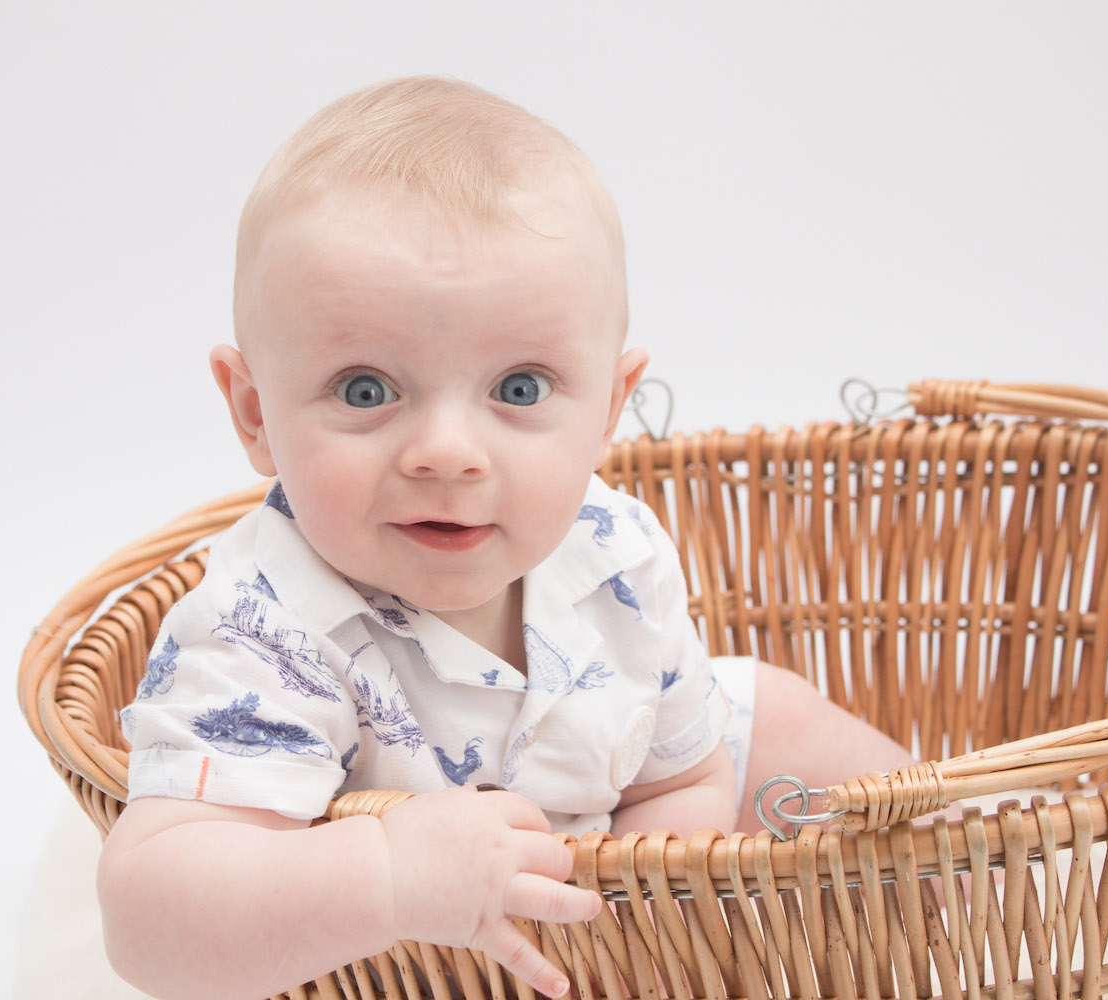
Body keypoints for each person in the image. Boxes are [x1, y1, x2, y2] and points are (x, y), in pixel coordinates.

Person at [97, 76, 918, 1000]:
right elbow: (146, 923)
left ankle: (988, 877)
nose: (449, 453)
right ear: (254, 413)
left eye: (519, 389)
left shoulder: (614, 548)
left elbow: (676, 780)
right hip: (403, 954)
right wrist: (387, 875)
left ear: (608, 408)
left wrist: (652, 922)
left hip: (599, 893)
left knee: (774, 714)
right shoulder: (261, 628)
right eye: (366, 390)